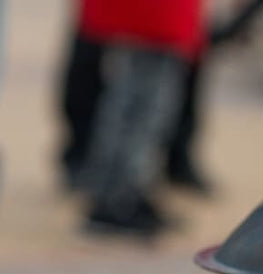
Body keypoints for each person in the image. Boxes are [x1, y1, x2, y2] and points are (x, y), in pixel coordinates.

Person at [72, 0, 204, 237]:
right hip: (156, 14)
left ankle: (115, 192)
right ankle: (122, 198)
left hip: (147, 14)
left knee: (131, 100)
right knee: (144, 107)